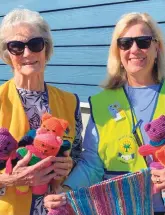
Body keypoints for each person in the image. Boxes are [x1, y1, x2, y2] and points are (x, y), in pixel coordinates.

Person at [44, 12, 165, 214]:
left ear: (157, 47)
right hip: (119, 207)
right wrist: (65, 190)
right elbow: (92, 163)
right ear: (118, 51)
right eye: (125, 43)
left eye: (143, 41)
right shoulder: (102, 104)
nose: (134, 49)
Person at [0, 8, 83, 215]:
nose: (27, 54)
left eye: (35, 44)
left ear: (46, 49)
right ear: (8, 55)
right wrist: (10, 179)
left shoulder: (70, 102)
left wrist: (68, 166)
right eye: (16, 46)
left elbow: (79, 157)